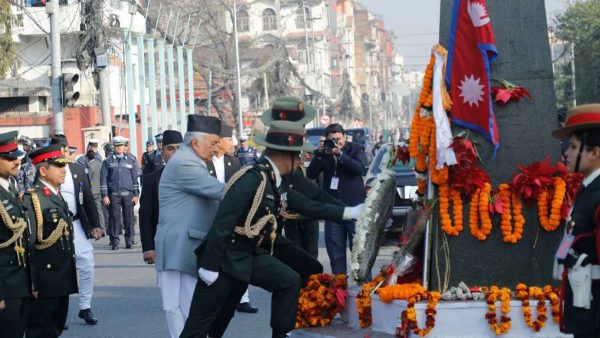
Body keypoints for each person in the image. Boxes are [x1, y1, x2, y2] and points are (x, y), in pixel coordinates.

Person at [180, 121, 362, 338]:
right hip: (223, 259)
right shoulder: (251, 178)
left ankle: (282, 334)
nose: (299, 161)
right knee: (202, 326)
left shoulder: (274, 180)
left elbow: (308, 204)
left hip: (248, 254)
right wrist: (209, 265)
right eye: (297, 155)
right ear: (285, 156)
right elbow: (223, 222)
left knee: (289, 280)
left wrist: (350, 213)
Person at [154, 115, 224, 338]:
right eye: (213, 143)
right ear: (196, 143)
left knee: (190, 307)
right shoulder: (185, 163)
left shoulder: (193, 160)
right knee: (175, 305)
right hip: (177, 246)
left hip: (187, 246)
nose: (217, 149)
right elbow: (221, 191)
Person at [552, 103, 600, 338]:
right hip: (587, 310)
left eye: (573, 147)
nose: (566, 153)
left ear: (594, 152)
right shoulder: (587, 189)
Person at [23, 144, 78, 338]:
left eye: (64, 166)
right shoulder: (34, 198)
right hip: (45, 278)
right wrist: (33, 282)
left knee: (55, 327)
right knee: (40, 330)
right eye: (58, 166)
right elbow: (29, 244)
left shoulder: (56, 195)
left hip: (60, 275)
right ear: (43, 170)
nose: (64, 170)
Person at [206, 124, 259, 314]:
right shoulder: (204, 162)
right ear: (219, 141)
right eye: (230, 140)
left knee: (239, 255)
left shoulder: (234, 162)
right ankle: (216, 299)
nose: (234, 143)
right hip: (209, 217)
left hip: (233, 218)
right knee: (213, 258)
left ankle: (242, 298)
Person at [51, 135, 103, 326]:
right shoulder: (45, 170)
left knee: (87, 264)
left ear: (66, 150)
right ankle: (58, 313)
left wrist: (96, 225)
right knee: (59, 269)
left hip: (77, 224)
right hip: (55, 227)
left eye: (62, 150)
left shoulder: (77, 170)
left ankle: (85, 307)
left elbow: (88, 198)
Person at [307, 122, 368, 274]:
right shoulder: (324, 153)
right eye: (332, 139)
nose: (336, 142)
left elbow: (360, 169)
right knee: (336, 255)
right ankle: (339, 290)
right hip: (333, 211)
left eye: (338, 139)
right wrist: (319, 155)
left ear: (345, 137)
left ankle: (364, 291)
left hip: (355, 209)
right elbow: (311, 174)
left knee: (360, 255)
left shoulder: (355, 149)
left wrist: (340, 155)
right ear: (326, 139)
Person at [0, 131, 34, 338]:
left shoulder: (11, 187)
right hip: (4, 285)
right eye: (9, 158)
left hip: (18, 282)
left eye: (17, 157)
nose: (16, 162)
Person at [139, 130, 183, 265]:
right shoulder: (151, 180)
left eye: (179, 148)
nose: (175, 152)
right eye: (170, 149)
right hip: (165, 245)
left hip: (193, 245)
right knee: (170, 285)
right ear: (162, 153)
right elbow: (145, 215)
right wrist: (148, 247)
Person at [100, 136, 140, 250]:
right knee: (114, 218)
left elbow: (135, 179)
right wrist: (105, 195)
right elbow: (103, 179)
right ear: (114, 147)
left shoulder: (131, 160)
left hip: (128, 194)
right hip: (113, 194)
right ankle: (114, 242)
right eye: (117, 146)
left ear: (124, 147)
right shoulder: (107, 161)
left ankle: (129, 241)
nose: (119, 148)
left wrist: (136, 195)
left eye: (121, 146)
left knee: (129, 218)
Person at [85, 150, 106, 232]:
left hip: (92, 191)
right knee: (100, 210)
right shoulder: (100, 163)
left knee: (92, 210)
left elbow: (88, 179)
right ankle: (103, 228)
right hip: (99, 189)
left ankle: (93, 229)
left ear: (87, 158)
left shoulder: (90, 166)